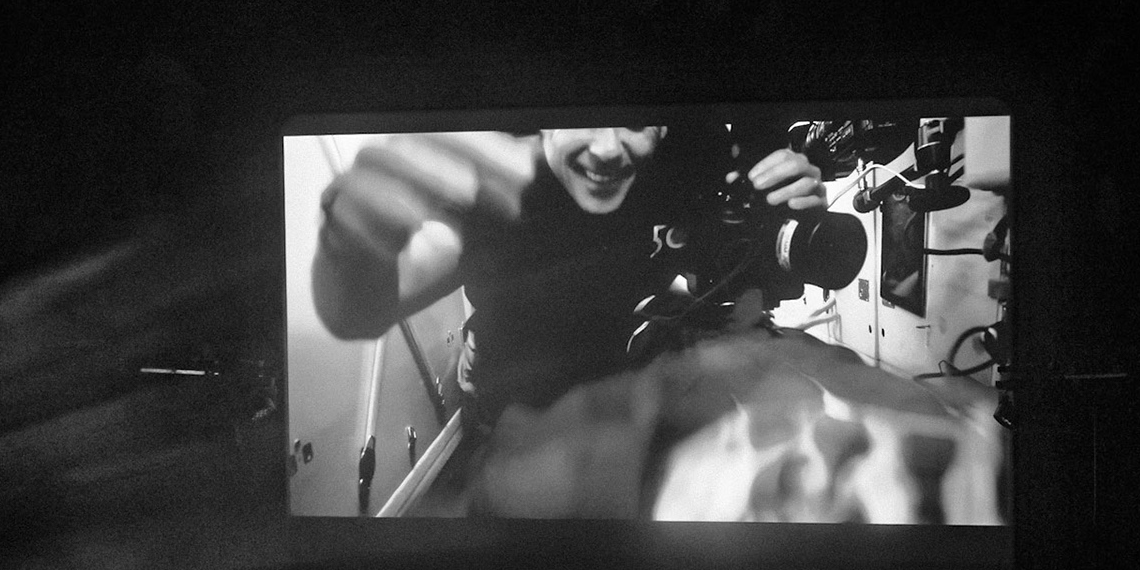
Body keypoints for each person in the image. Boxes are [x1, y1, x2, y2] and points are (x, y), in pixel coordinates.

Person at [310, 125, 826, 425]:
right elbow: (357, 313)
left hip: (618, 398)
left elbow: (712, 277)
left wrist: (790, 225)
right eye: (585, 115)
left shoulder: (678, 175)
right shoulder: (497, 184)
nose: (606, 148)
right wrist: (350, 237)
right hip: (519, 417)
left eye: (635, 121)